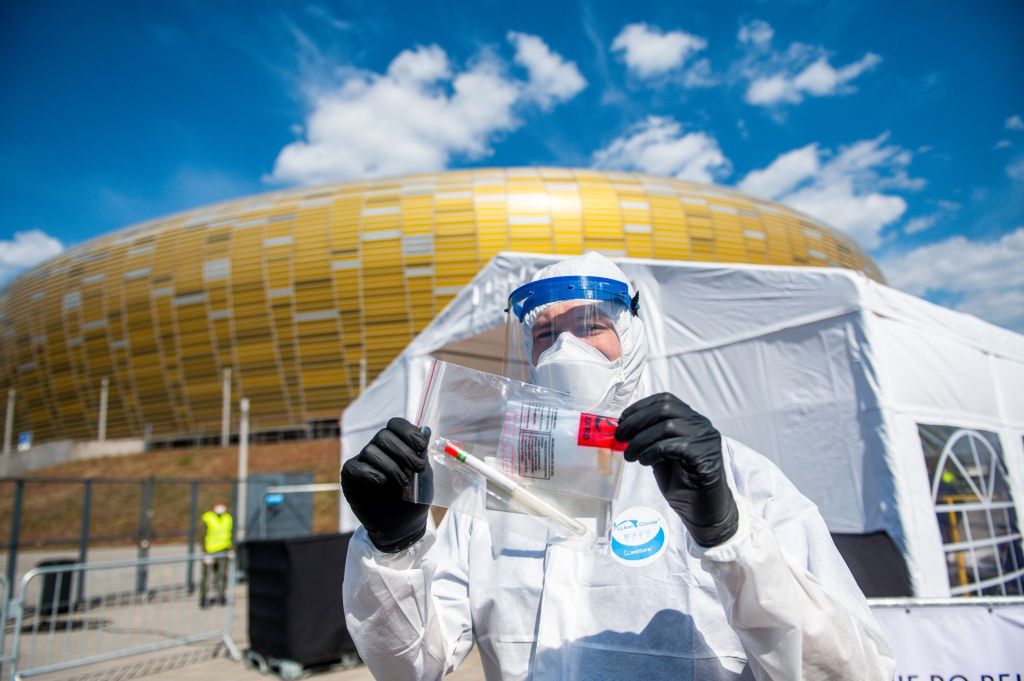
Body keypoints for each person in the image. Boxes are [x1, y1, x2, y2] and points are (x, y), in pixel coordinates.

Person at [341, 252, 896, 680]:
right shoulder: (496, 488)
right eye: (544, 334)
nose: (564, 349)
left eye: (590, 327)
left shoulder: (733, 478)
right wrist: (392, 549)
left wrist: (728, 533)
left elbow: (851, 669)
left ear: (630, 337)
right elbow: (415, 666)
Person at [199, 501, 232, 608]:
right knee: (206, 576)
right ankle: (204, 599)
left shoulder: (228, 518)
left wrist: (231, 549)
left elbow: (230, 534)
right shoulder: (207, 517)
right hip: (210, 551)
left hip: (223, 550)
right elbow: (201, 535)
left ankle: (221, 597)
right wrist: (204, 552)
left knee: (222, 575)